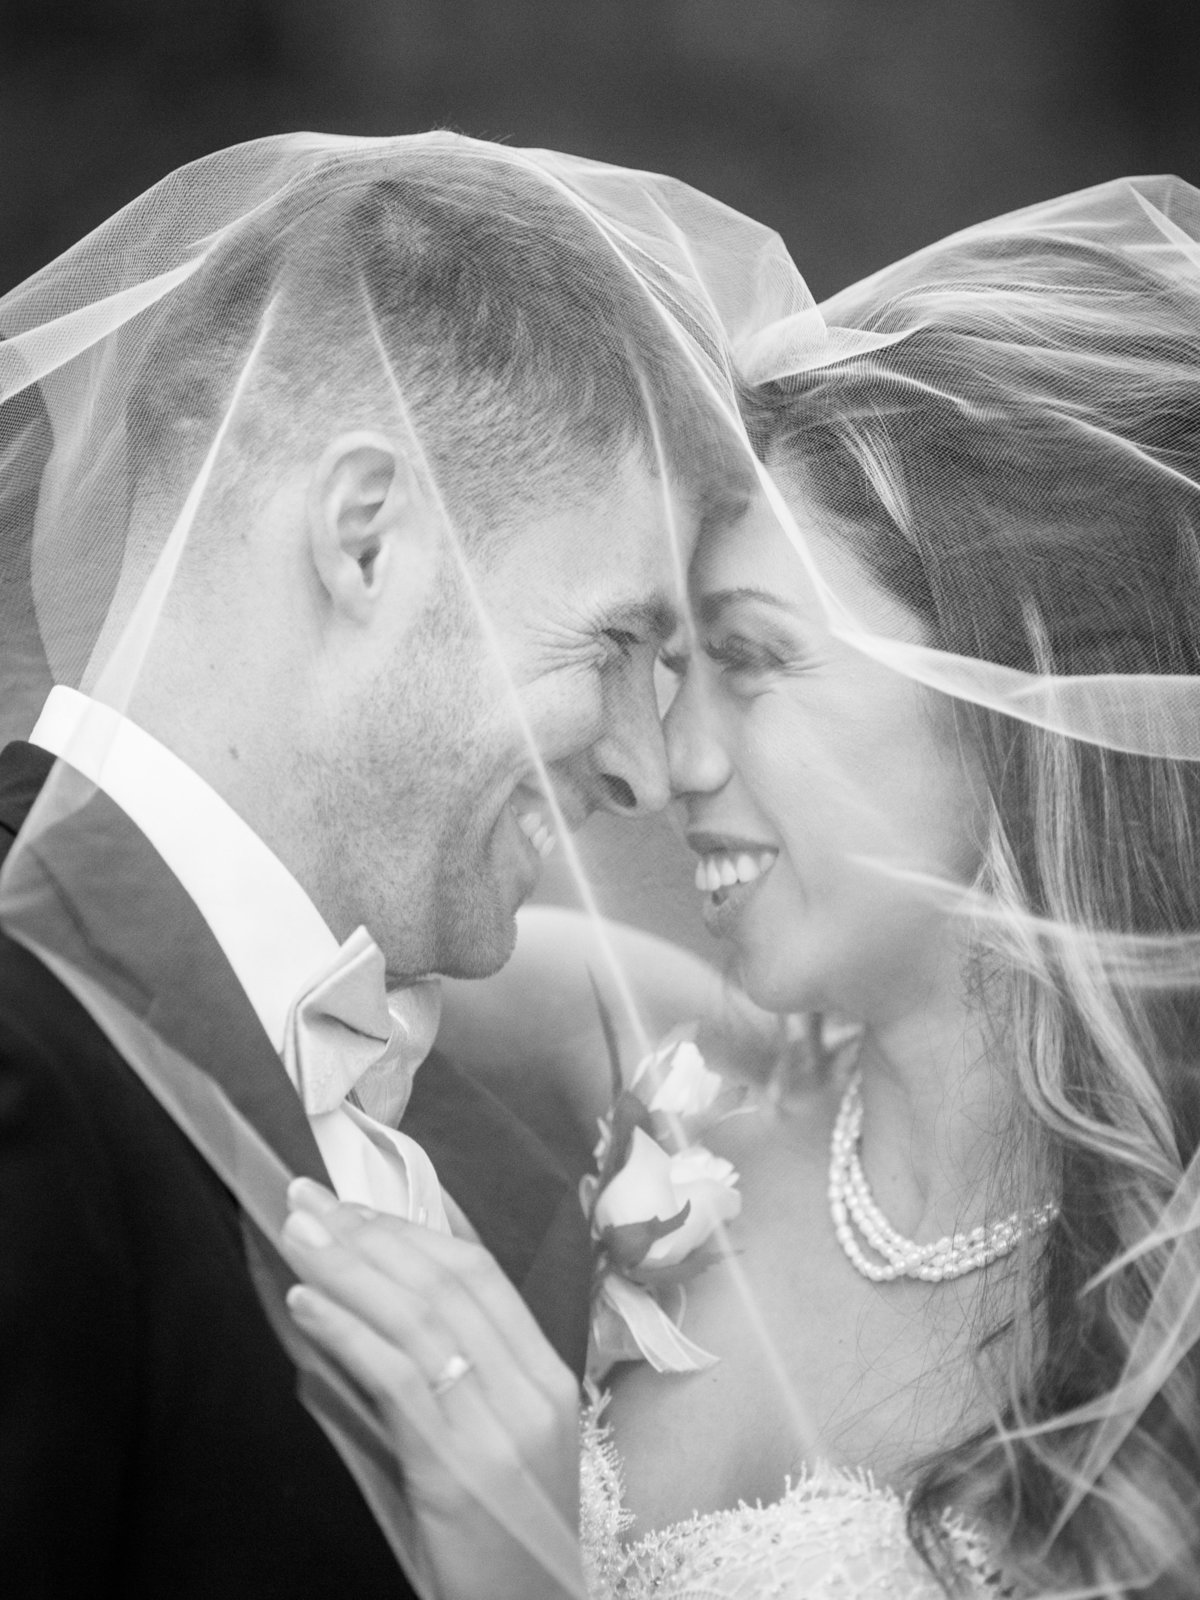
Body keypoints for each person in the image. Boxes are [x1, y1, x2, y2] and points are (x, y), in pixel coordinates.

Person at [281, 175, 1200, 1598]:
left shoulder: (1172, 1313)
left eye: (754, 660)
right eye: (664, 669)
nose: (668, 760)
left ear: (1017, 695)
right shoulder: (649, 1083)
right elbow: (221, 909)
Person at [0, 132, 751, 1598]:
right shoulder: (23, 1070)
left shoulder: (488, 1124)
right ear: (364, 539)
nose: (648, 769)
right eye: (615, 644)